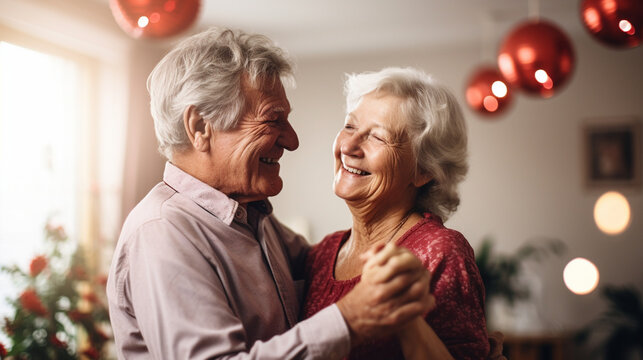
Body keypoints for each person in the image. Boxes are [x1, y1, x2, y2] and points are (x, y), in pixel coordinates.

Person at [106, 28, 433, 359]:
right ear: (201, 127)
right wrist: (349, 319)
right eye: (273, 121)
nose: (292, 141)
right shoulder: (163, 232)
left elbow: (322, 267)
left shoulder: (249, 215)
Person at [302, 67, 490, 359]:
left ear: (424, 170)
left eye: (377, 137)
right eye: (350, 127)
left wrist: (402, 313)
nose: (349, 146)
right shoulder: (321, 254)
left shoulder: (440, 252)